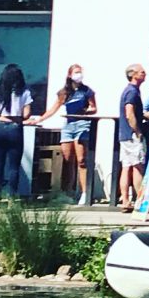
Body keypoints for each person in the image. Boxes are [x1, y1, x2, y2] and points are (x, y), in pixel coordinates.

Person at [41, 65, 98, 202]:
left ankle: (84, 192)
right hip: (68, 125)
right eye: (76, 72)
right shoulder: (64, 92)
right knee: (67, 159)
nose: (79, 75)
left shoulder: (87, 91)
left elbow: (94, 108)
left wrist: (85, 111)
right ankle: (68, 192)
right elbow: (53, 109)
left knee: (81, 160)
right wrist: (40, 119)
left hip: (82, 124)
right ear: (70, 75)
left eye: (80, 72)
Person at [0, 64, 33, 200]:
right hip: (15, 128)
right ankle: (12, 197)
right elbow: (27, 114)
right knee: (14, 166)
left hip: (1, 127)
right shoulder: (24, 92)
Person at [116, 64, 148, 212]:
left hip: (124, 134)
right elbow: (129, 112)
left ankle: (125, 200)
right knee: (138, 166)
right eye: (142, 72)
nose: (145, 74)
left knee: (126, 166)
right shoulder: (132, 92)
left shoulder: (129, 91)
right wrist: (137, 130)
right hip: (132, 135)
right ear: (134, 74)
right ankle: (140, 201)